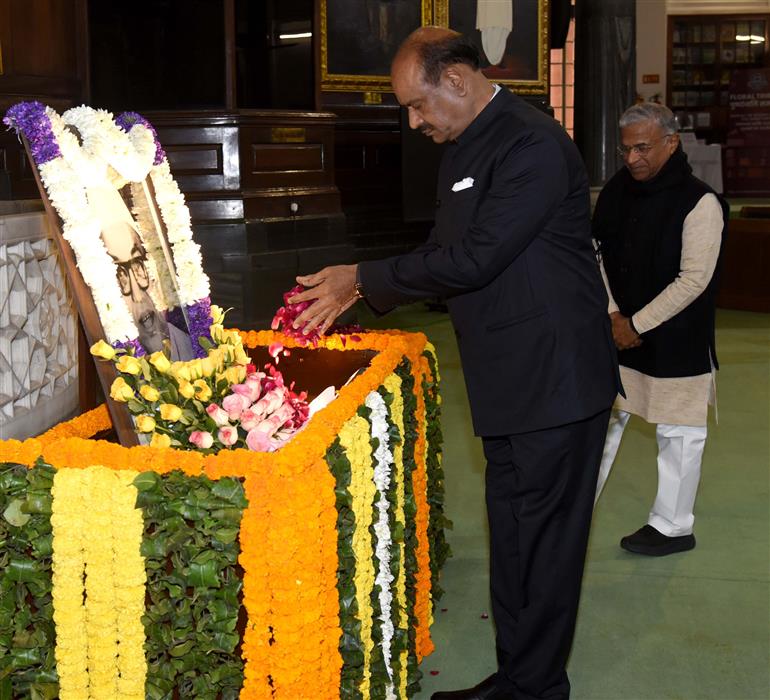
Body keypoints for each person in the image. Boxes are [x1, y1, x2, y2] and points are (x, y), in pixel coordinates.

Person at [289, 27, 620, 700]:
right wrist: (370, 287)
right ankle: (519, 681)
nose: (413, 122)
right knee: (517, 544)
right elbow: (448, 257)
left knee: (544, 551)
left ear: (459, 81)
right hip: (511, 380)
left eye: (417, 105)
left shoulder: (532, 145)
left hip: (555, 383)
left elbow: (475, 259)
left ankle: (536, 690)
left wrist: (364, 279)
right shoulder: (466, 146)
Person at [592, 102, 728, 557]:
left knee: (679, 432)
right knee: (599, 424)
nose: (633, 159)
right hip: (614, 332)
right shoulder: (616, 191)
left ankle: (672, 526)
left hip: (676, 337)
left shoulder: (701, 201)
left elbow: (694, 279)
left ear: (672, 143)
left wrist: (636, 323)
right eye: (627, 149)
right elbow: (594, 254)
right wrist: (612, 315)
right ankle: (572, 511)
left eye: (644, 148)